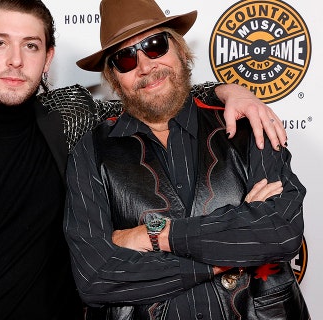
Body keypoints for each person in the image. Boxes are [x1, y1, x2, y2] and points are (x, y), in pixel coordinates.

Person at [0, 0, 289, 319]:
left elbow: (154, 91)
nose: (15, 60)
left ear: (48, 57)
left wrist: (229, 90)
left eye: (31, 45)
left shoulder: (74, 115)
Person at [64, 0, 309, 319]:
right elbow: (95, 278)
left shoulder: (247, 124)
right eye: (125, 58)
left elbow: (281, 232)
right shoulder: (91, 149)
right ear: (114, 77)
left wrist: (156, 235)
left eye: (154, 46)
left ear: (179, 49)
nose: (145, 66)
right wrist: (233, 246)